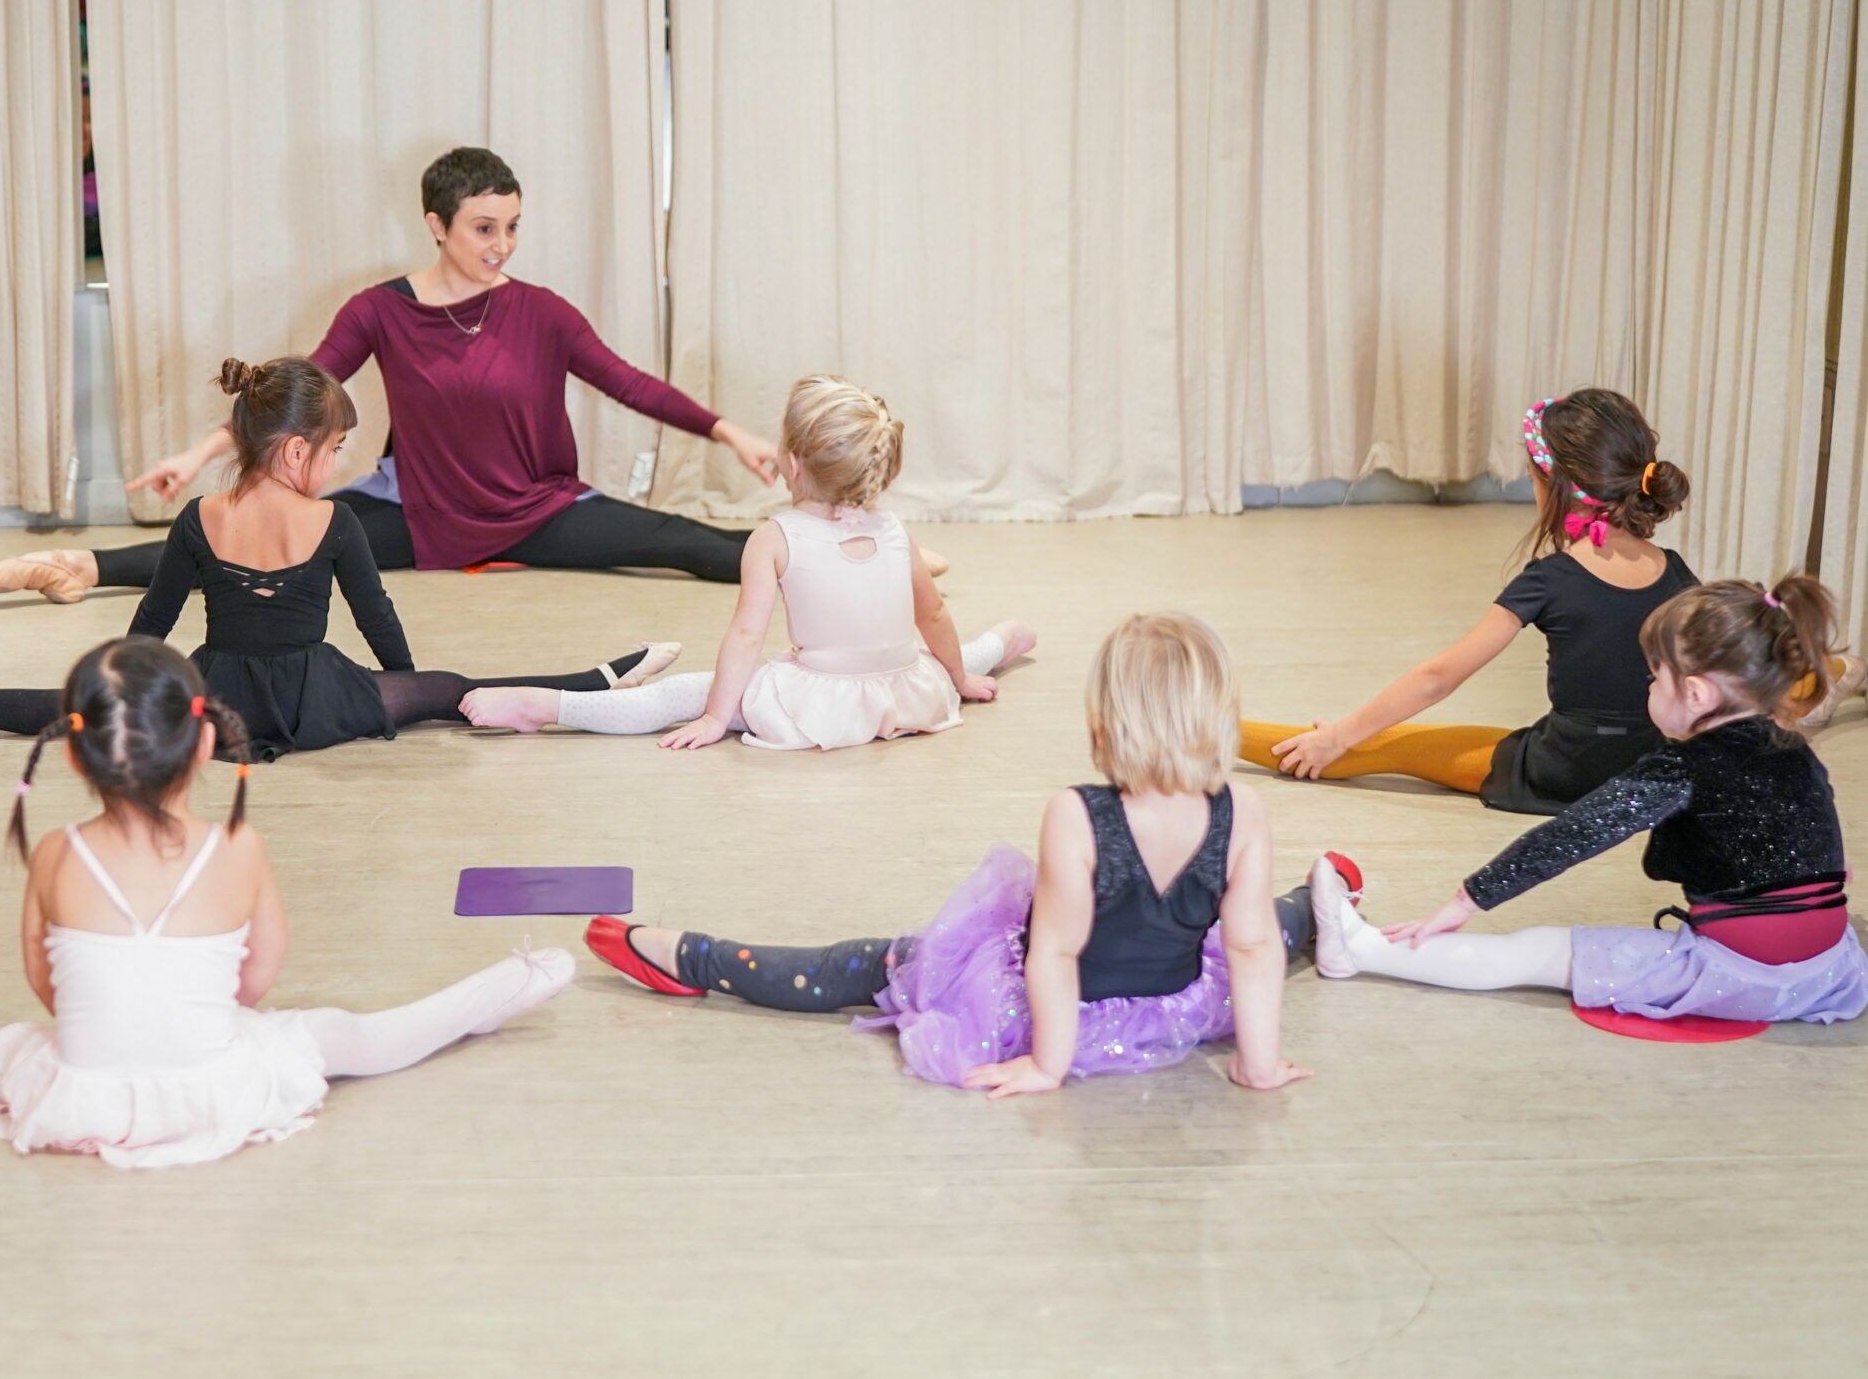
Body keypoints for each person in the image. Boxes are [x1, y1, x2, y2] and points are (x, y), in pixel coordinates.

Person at [0, 637, 575, 1169]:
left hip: (83, 1082)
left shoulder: (57, 851)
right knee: (348, 1036)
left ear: (74, 758)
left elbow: (44, 982)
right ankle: (492, 993)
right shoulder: (235, 847)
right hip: (215, 1080)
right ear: (206, 743)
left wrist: (105, 1015)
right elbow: (262, 971)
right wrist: (212, 1011)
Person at [0, 146, 942, 599]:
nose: (502, 244)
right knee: (252, 538)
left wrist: (728, 428)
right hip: (421, 511)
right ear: (436, 225)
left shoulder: (542, 310)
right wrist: (197, 452)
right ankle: (74, 568)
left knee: (688, 544)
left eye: (513, 226)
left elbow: (626, 381)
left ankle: (864, 556)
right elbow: (298, 393)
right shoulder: (380, 311)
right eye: (484, 228)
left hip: (541, 506)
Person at [582, 614, 1312, 1092]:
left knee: (871, 966)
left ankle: (700, 956)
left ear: (1105, 722)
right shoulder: (1243, 811)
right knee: (1272, 928)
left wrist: (1047, 1063)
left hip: (1052, 1010)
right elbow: (1249, 949)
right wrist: (1259, 1060)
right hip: (1170, 1002)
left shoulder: (1078, 815)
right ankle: (1326, 894)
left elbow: (1054, 955)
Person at [0, 359, 677, 759]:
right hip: (321, 694)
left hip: (219, 696)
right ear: (294, 453)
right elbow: (377, 620)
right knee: (452, 691)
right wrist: (397, 689)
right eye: (336, 449)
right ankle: (598, 683)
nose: (339, 464)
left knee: (84, 708)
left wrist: (118, 682)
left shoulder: (199, 516)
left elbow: (151, 625)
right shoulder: (334, 522)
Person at [1310, 575, 1865, 1026]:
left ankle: (1359, 950)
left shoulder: (1685, 764)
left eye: (1653, 678)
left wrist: (1465, 902)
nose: (1646, 689)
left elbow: (1573, 834)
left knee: (1536, 952)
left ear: (1695, 694)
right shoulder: (1795, 750)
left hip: (1745, 972)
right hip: (1826, 970)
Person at [460, 376, 1027, 749]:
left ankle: (545, 706)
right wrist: (956, 679)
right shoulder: (896, 529)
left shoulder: (775, 537)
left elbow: (745, 636)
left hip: (822, 706)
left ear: (793, 462)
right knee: (954, 657)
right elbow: (934, 619)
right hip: (905, 697)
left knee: (678, 695)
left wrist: (713, 717)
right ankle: (1010, 639)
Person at [1242, 389, 1697, 813]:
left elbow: (1438, 678)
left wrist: (1340, 735)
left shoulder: (1549, 579)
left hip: (1562, 772)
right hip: (1650, 779)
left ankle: (1210, 735)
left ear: (1555, 486)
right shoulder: (1678, 575)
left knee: (1390, 746)